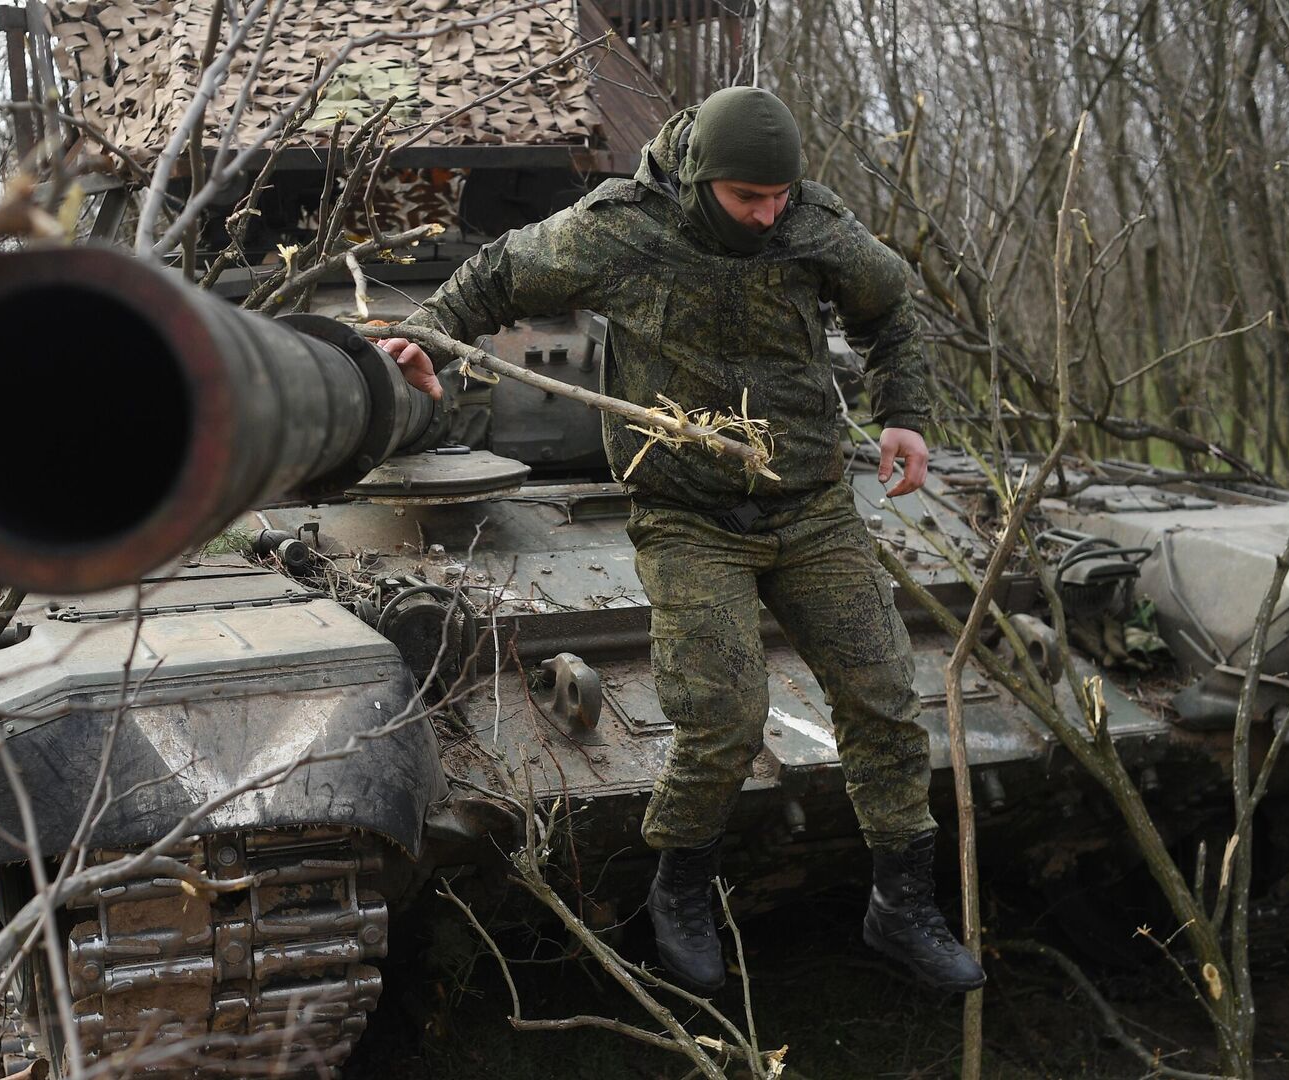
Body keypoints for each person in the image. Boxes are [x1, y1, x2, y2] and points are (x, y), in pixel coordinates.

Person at [378, 86, 985, 994]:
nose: (769, 214)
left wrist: (904, 415)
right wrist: (427, 332)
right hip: (687, 513)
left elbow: (890, 308)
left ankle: (902, 904)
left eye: (781, 195)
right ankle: (681, 891)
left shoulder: (814, 224)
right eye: (750, 199)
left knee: (887, 702)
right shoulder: (619, 228)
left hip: (810, 504)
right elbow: (502, 272)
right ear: (703, 180)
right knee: (724, 716)